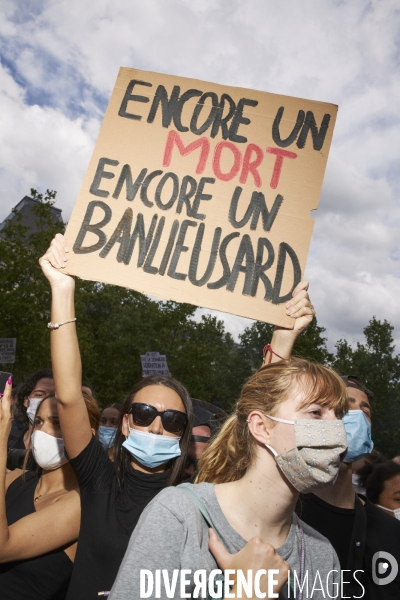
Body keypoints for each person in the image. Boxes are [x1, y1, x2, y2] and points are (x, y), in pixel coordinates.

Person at [39, 233, 193, 600]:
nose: (156, 425)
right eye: (143, 413)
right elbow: (70, 397)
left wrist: (281, 342)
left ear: (183, 433)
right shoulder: (100, 482)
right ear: (126, 423)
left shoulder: (196, 502)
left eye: (172, 420)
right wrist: (62, 290)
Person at [299, 374, 400, 598]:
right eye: (345, 407)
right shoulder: (288, 515)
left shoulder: (391, 531)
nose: (358, 416)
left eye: (365, 412)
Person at [0, 378, 100, 600]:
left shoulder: (80, 504)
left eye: (56, 422)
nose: (42, 431)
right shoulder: (16, 479)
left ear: (87, 434)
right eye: (38, 422)